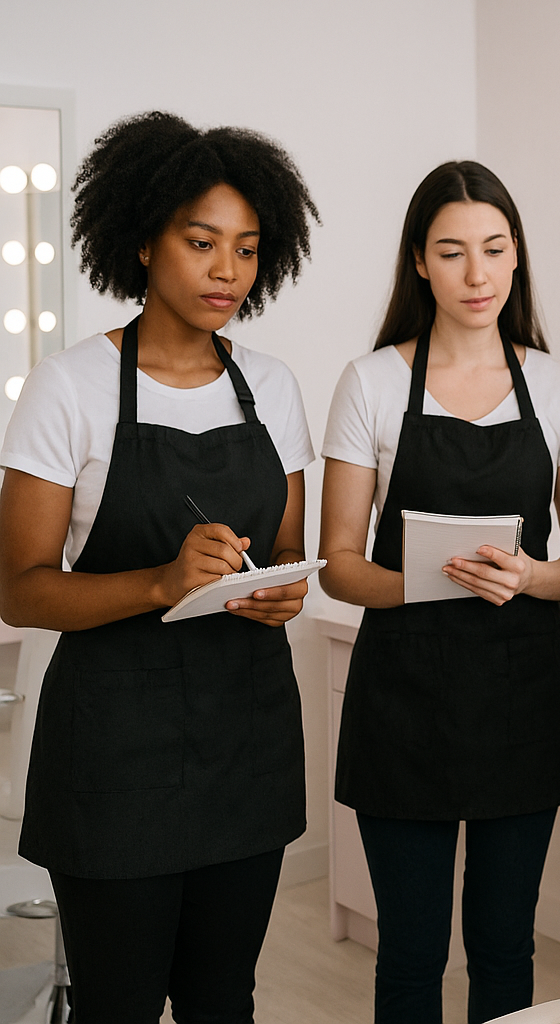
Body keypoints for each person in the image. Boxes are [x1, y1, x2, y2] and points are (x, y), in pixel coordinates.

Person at [0, 111, 318, 1021]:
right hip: (116, 761)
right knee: (120, 1007)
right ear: (142, 242)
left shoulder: (274, 386)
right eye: (201, 242)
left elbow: (287, 549)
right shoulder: (68, 387)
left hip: (245, 747)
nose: (228, 271)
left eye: (248, 249)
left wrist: (283, 589)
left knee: (225, 1001)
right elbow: (19, 588)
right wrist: (159, 583)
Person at [320, 161, 560, 1021]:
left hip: (523, 693)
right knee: (410, 952)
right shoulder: (369, 383)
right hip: (404, 698)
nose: (477, 275)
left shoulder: (558, 386)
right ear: (418, 263)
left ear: (516, 259)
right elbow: (337, 562)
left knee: (507, 946)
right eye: (452, 252)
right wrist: (426, 583)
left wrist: (532, 577)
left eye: (494, 249)